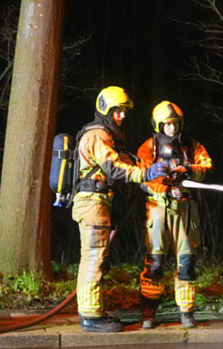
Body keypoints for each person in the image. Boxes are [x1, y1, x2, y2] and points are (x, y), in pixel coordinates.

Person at [72, 86, 169, 333]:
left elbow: (126, 162)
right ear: (105, 109)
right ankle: (91, 316)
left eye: (124, 111)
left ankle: (93, 311)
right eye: (117, 111)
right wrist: (145, 174)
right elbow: (114, 167)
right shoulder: (97, 135)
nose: (122, 116)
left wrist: (149, 172)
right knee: (94, 258)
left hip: (98, 202)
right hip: (92, 203)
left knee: (97, 258)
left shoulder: (107, 136)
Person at [137, 101, 213, 329]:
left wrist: (188, 170)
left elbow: (206, 166)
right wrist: (166, 189)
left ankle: (186, 311)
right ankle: (148, 311)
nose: (172, 128)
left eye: (176, 124)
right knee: (155, 262)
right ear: (159, 125)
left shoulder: (191, 146)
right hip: (157, 209)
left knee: (187, 262)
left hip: (186, 210)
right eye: (168, 124)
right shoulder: (148, 148)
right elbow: (142, 177)